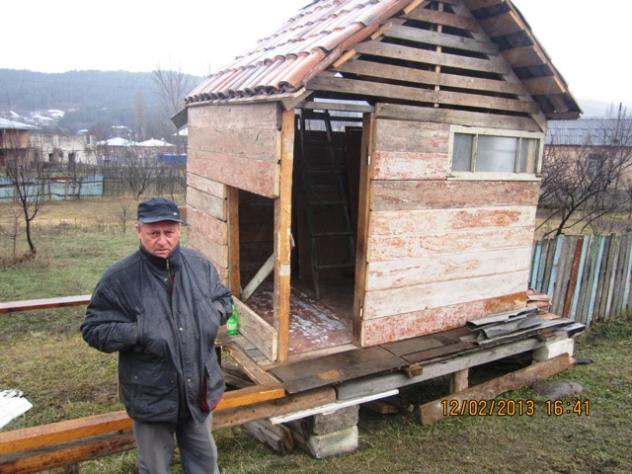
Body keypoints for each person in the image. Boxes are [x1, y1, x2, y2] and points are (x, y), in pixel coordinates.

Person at [81, 197, 232, 474]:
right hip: (151, 395)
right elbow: (93, 329)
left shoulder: (199, 266)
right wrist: (139, 331)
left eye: (169, 232)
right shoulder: (119, 278)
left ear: (179, 230)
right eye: (154, 233)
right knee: (154, 468)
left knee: (205, 463)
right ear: (138, 231)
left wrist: (212, 315)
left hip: (198, 390)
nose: (162, 241)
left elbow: (224, 299)